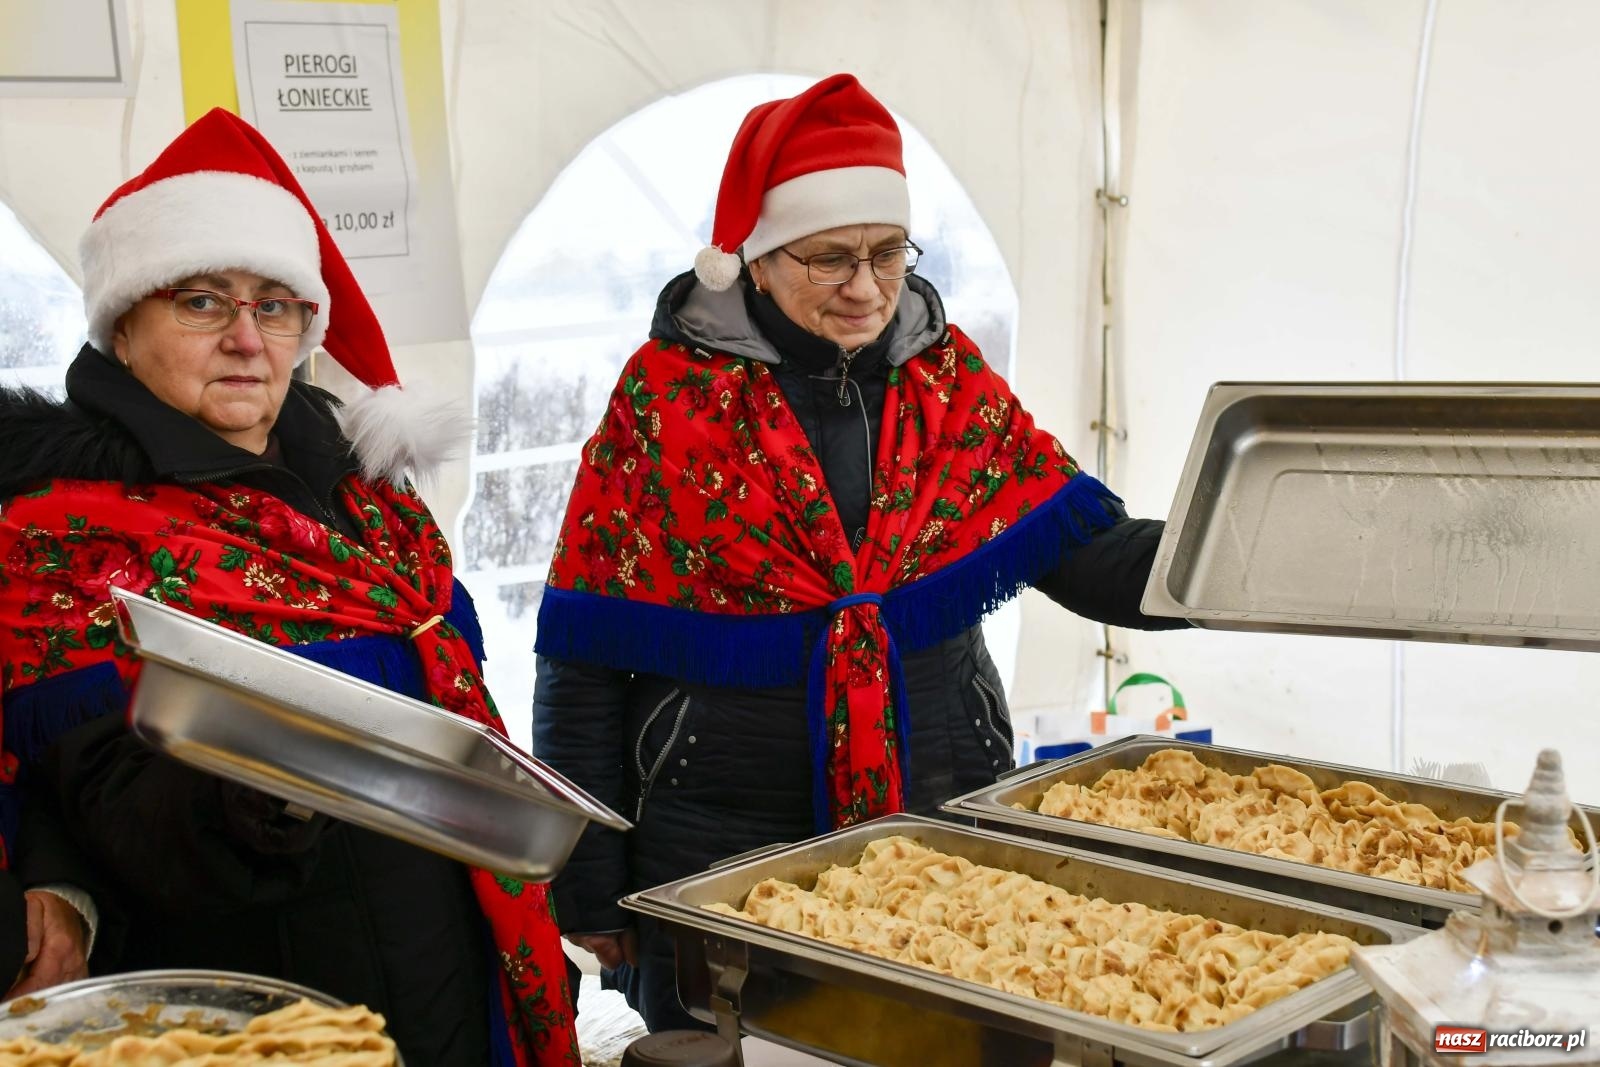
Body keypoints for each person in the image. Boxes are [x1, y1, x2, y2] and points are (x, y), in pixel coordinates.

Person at [531, 73, 1188, 1032]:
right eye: (831, 258)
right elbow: (582, 654)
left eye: (888, 253)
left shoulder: (950, 381)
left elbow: (1085, 550)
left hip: (940, 820)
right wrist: (589, 882)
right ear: (755, 258)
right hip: (717, 845)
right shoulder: (666, 401)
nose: (868, 288)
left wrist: (1236, 556)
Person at [0, 109, 577, 1065]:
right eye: (201, 302)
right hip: (253, 1010)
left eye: (275, 306)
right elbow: (110, 811)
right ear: (124, 324)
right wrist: (261, 785)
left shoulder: (373, 501)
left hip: (450, 968)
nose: (246, 338)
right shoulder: (67, 535)